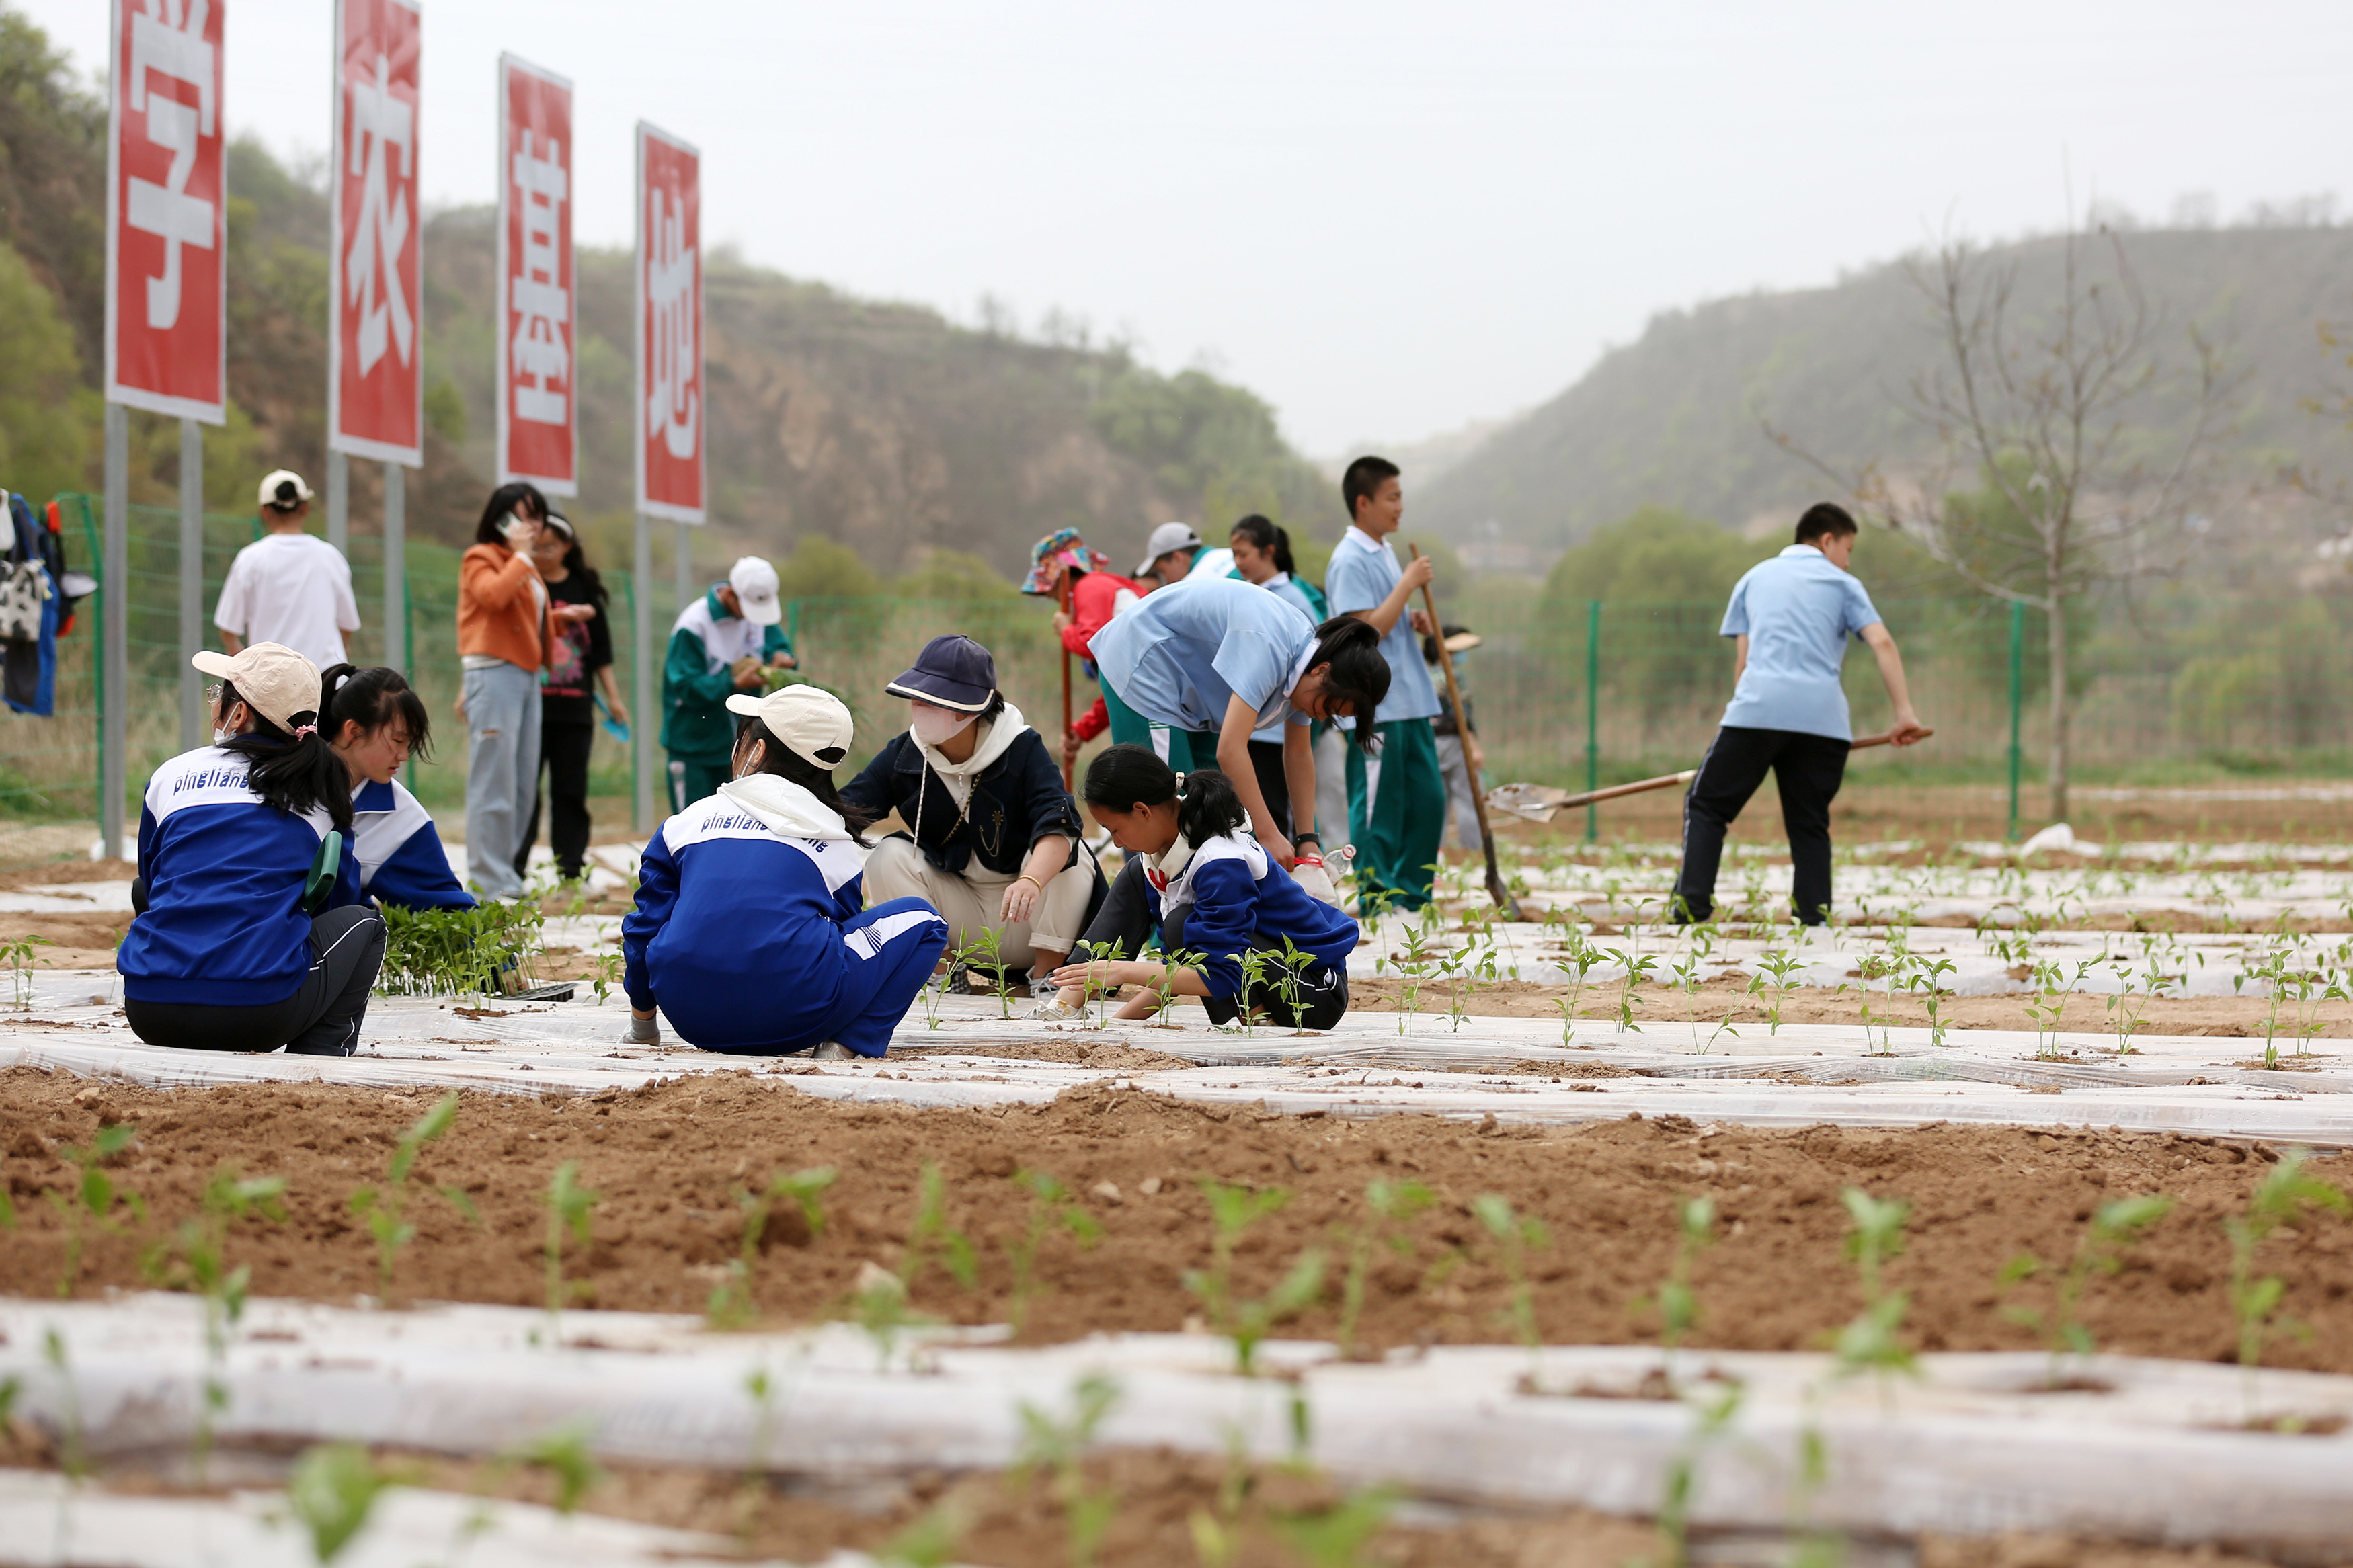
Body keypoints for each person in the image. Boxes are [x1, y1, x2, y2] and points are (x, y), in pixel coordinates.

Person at [621, 684, 949, 1057]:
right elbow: (843, 932)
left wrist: (643, 1028)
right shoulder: (833, 836)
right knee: (927, 921)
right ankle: (848, 1043)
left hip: (691, 1018)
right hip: (796, 1021)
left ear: (756, 751)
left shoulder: (685, 823)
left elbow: (643, 930)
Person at [118, 643, 385, 1055]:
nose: (214, 704)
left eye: (218, 694)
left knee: (145, 890)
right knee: (366, 923)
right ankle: (323, 1057)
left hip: (149, 1009)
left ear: (238, 713)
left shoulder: (169, 776)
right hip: (258, 1017)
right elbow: (335, 899)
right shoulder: (322, 792)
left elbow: (152, 880)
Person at [1671, 503, 1927, 926]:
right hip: (1823, 724)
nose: (1848, 559)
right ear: (1828, 540)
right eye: (1849, 548)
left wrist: (1750, 719)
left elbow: (1744, 662)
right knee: (1809, 823)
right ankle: (1813, 919)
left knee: (1707, 807)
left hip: (1758, 712)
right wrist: (1904, 715)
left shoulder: (1754, 578)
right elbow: (1882, 643)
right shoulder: (1844, 584)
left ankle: (1691, 908)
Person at [1087, 575, 1388, 895]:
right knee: (1165, 805)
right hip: (1144, 663)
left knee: (1212, 807)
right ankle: (1160, 924)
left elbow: (1299, 755)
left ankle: (1211, 915)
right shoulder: (1270, 648)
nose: (1323, 716)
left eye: (1334, 715)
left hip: (1190, 694)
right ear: (1322, 670)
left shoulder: (1306, 672)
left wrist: (1307, 840)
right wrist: (1268, 833)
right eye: (1329, 706)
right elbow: (1230, 750)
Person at [843, 634, 1104, 998]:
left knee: (1070, 853)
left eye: (929, 700)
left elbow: (1056, 818)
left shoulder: (1021, 748)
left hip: (1031, 917)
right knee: (888, 856)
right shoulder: (906, 754)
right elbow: (848, 811)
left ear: (968, 709)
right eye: (916, 698)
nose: (918, 708)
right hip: (961, 919)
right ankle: (942, 972)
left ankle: (1047, 978)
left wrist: (1031, 880)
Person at [1045, 746, 1357, 1028]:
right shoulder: (1161, 856)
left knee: (1182, 925)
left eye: (1115, 829)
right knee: (1140, 880)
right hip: (1262, 970)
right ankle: (1065, 1003)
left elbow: (1219, 976)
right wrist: (1114, 1026)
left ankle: (1261, 1026)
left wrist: (1122, 972)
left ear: (1142, 811)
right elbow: (1178, 970)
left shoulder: (1221, 862)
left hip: (1312, 991)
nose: (1116, 842)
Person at [1324, 454, 1445, 914]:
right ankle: (1378, 895)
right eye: (1392, 497)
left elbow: (1386, 619)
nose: (1399, 506)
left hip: (1413, 699)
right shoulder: (1349, 558)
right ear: (1364, 502)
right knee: (1377, 803)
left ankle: (1414, 895)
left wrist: (1407, 613)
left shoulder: (1384, 551)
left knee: (1428, 799)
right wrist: (1408, 586)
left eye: (1400, 496)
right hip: (1377, 703)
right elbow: (1364, 628)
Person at [457, 482, 565, 901]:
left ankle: (506, 875)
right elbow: (493, 596)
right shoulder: (482, 557)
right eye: (524, 515)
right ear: (501, 518)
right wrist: (520, 555)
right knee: (493, 778)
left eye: (537, 516)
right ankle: (488, 880)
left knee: (521, 781)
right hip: (493, 672)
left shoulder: (522, 564)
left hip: (524, 674)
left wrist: (562, 620)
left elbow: (524, 615)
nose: (533, 526)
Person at [516, 513, 626, 882]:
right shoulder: (523, 581)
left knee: (570, 790)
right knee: (524, 790)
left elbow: (601, 652)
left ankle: (570, 868)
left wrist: (613, 697)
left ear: (567, 547)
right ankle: (514, 866)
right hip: (530, 705)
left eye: (550, 546)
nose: (542, 553)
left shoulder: (585, 587)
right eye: (537, 546)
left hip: (576, 708)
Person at [329, 665, 474, 911]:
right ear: (353, 731)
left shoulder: (402, 820)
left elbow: (448, 912)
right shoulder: (279, 781)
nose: (404, 755)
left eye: (409, 743)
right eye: (397, 740)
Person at [1226, 514, 1330, 845]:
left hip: (1273, 731)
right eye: (1235, 555)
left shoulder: (1294, 598)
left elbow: (1306, 669)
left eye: (1244, 554)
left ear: (1268, 551)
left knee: (1271, 814)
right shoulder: (1243, 592)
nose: (1238, 562)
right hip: (1241, 721)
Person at [662, 556, 795, 813]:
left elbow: (778, 646)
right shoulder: (694, 625)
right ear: (732, 595)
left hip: (741, 744)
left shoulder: (755, 619)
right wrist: (734, 683)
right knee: (691, 821)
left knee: (734, 824)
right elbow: (685, 685)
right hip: (695, 745)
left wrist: (783, 660)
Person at [1027, 528, 1151, 772]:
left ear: (1063, 575)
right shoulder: (1099, 586)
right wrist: (1083, 731)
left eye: (1050, 588)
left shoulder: (1090, 585)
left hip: (1156, 696)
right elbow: (1118, 684)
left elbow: (1091, 642)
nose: (1050, 596)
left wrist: (1066, 630)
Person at [213, 470, 362, 673]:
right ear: (305, 508)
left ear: (265, 512)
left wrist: (248, 667)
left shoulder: (251, 559)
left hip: (272, 682)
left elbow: (228, 630)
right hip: (326, 681)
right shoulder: (330, 557)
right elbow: (347, 626)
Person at [1423, 624, 1485, 851]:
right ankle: (1474, 849)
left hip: (1429, 743)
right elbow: (1462, 714)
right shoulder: (1452, 677)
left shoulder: (1425, 675)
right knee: (1469, 796)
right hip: (1454, 742)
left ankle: (1433, 851)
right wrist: (1474, 746)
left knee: (1438, 800)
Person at [1134, 521, 1203, 589]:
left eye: (1163, 572)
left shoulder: (1193, 587)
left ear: (1178, 558)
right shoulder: (1211, 561)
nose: (1166, 581)